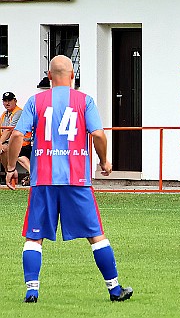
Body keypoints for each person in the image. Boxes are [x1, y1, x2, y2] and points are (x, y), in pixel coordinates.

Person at [5, 55, 133, 303]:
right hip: (76, 180)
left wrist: (11, 167)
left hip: (43, 179)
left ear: (50, 77)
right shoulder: (85, 101)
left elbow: (17, 136)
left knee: (34, 236)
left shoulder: (35, 101)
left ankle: (32, 290)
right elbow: (98, 133)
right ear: (73, 75)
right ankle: (115, 289)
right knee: (95, 234)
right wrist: (104, 160)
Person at [0, 92, 32, 188]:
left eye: (10, 100)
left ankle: (11, 173)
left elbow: (9, 131)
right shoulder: (4, 114)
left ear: (15, 101)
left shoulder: (19, 112)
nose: (7, 103)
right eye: (5, 101)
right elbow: (3, 131)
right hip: (10, 143)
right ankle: (10, 173)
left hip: (23, 143)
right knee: (4, 149)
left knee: (9, 151)